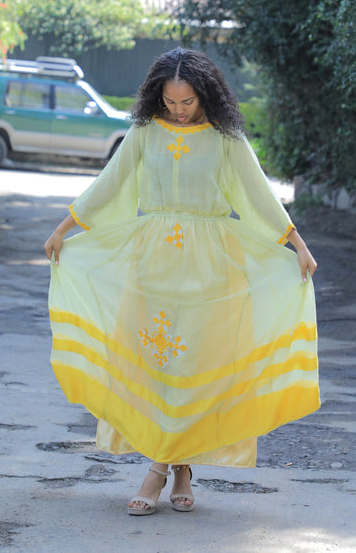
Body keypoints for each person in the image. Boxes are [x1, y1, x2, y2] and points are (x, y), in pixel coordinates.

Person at [44, 47, 319, 516]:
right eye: (171, 102)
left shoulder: (225, 138)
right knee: (156, 366)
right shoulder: (145, 132)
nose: (178, 110)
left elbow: (256, 193)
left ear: (205, 95)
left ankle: (164, 468)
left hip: (212, 269)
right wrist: (65, 228)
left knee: (194, 370)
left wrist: (296, 242)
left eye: (187, 102)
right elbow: (110, 183)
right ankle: (173, 466)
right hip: (150, 265)